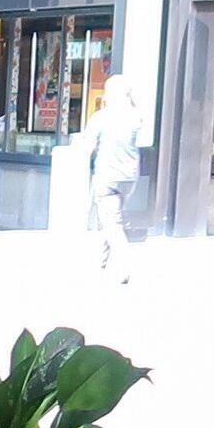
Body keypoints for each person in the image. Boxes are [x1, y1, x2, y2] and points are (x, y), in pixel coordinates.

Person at [87, 74, 147, 280]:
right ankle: (100, 262)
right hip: (129, 177)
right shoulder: (136, 117)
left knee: (112, 222)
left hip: (107, 175)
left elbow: (88, 146)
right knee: (112, 217)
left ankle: (124, 266)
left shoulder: (101, 117)